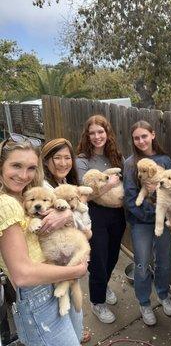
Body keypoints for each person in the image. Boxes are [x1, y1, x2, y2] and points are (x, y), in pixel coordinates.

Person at [0, 134, 87, 346]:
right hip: (36, 295)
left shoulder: (24, 195)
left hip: (52, 278)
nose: (24, 175)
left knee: (76, 335)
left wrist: (66, 215)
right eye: (16, 166)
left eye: (31, 168)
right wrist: (76, 271)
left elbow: (65, 204)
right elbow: (22, 274)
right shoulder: (6, 204)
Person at [123, 120, 171, 326]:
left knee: (163, 261)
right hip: (141, 222)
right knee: (142, 263)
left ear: (153, 135)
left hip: (165, 219)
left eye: (144, 136)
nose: (141, 141)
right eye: (136, 138)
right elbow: (130, 197)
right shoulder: (130, 163)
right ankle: (144, 302)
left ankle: (163, 294)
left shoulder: (165, 160)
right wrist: (152, 214)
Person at [76, 115, 126, 324]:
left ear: (107, 133)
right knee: (98, 259)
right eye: (92, 133)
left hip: (117, 214)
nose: (97, 136)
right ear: (87, 135)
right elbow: (85, 194)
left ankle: (103, 284)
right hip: (95, 214)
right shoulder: (82, 160)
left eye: (101, 132)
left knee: (113, 255)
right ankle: (97, 302)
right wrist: (109, 184)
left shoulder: (115, 156)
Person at [41, 138, 92, 343]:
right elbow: (53, 222)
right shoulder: (45, 190)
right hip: (57, 255)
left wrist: (75, 221)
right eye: (57, 158)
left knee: (71, 296)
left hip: (72, 251)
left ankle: (77, 333)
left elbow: (87, 221)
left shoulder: (65, 183)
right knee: (63, 300)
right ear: (45, 161)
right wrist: (76, 221)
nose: (63, 163)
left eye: (67, 157)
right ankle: (74, 336)